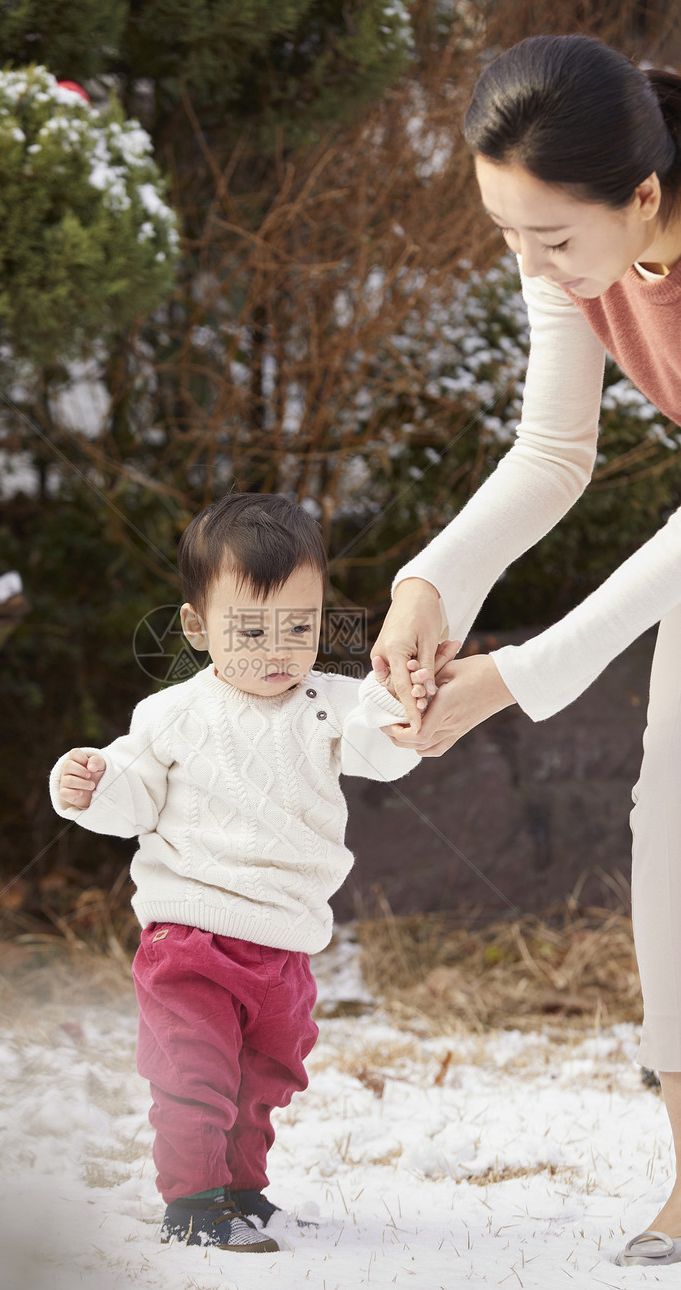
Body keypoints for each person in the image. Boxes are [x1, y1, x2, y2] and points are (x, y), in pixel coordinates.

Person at [370, 33, 681, 1270]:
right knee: (671, 821)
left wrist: (526, 672)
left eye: (552, 239)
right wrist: (429, 583)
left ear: (643, 198)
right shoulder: (567, 247)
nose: (531, 264)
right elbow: (553, 452)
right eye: (507, 233)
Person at [48, 492, 446, 1254]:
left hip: (283, 943)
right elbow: (132, 794)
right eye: (250, 629)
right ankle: (193, 1201)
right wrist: (93, 786)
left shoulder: (332, 704)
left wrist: (402, 710)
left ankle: (240, 1185)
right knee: (193, 1075)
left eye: (299, 627)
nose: (277, 649)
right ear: (198, 628)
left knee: (265, 1077)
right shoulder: (169, 713)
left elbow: (383, 751)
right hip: (189, 938)